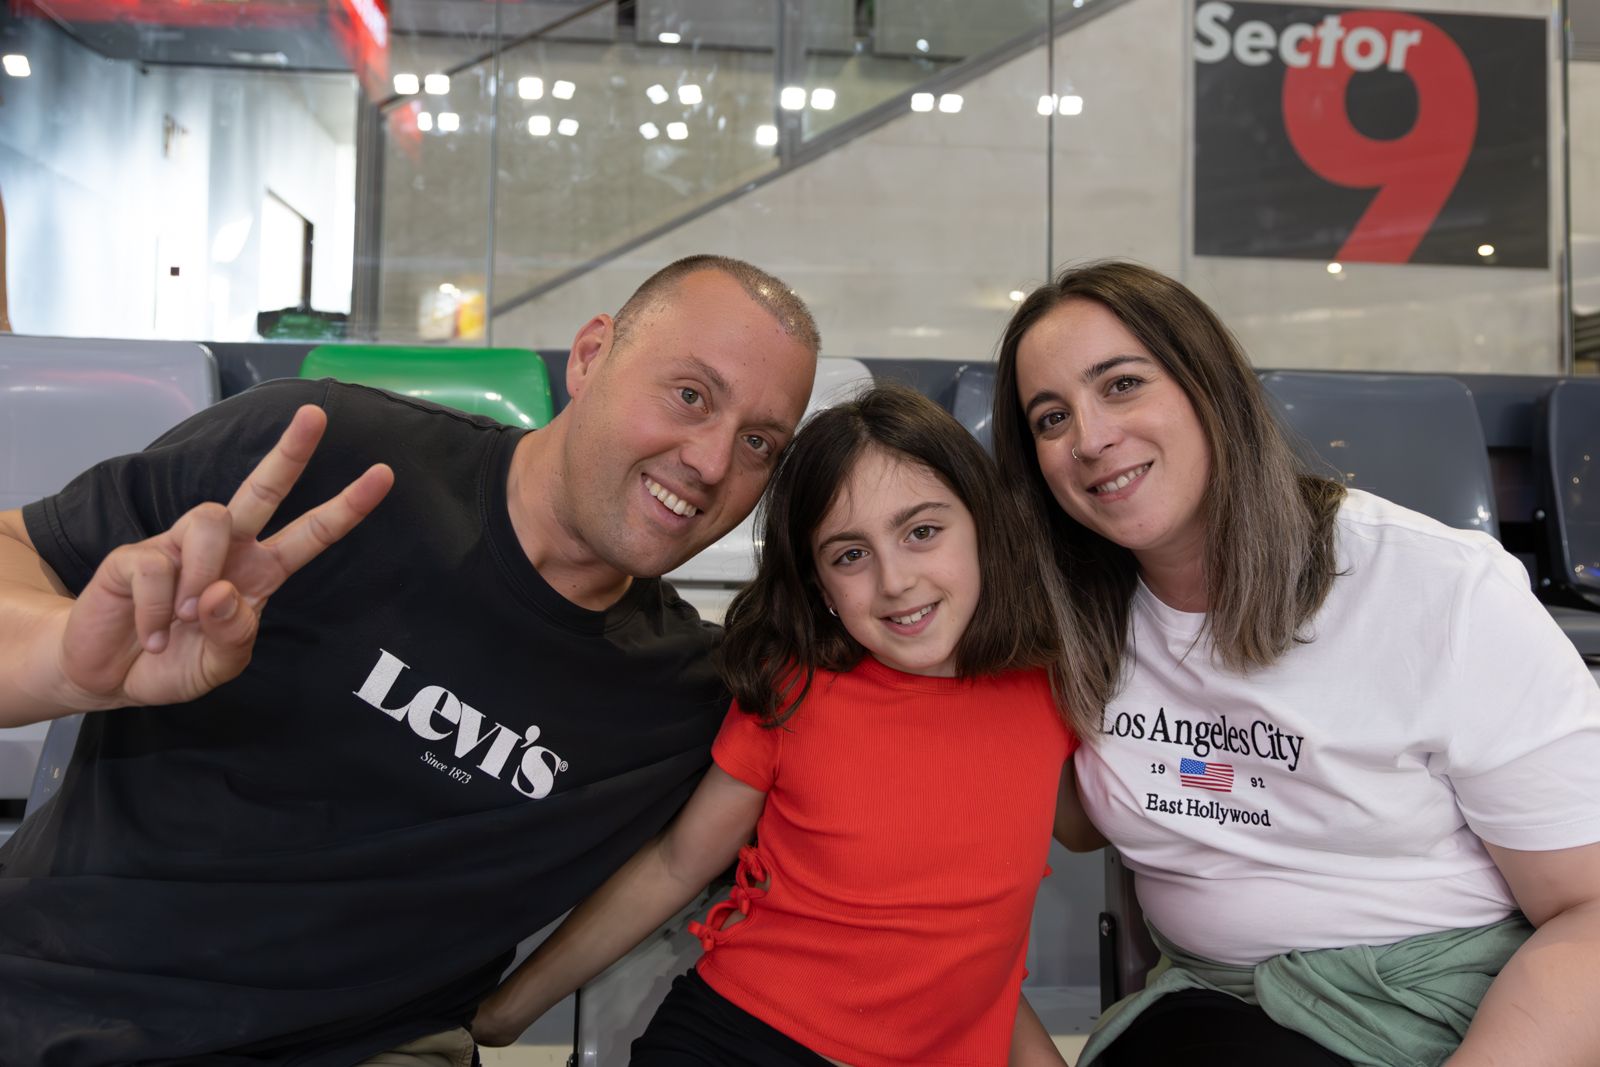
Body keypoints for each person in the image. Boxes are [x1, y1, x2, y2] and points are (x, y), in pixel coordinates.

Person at [0, 254, 821, 1066]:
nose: (713, 464)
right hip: (47, 993)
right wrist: (62, 662)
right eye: (690, 395)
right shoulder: (320, 456)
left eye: (757, 442)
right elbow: (18, 553)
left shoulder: (685, 697)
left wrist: (503, 1014)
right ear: (590, 354)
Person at [990, 259, 1600, 1067]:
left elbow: (1588, 912)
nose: (1091, 438)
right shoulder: (1068, 616)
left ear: (1211, 387)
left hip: (1443, 1009)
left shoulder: (1438, 587)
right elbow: (1055, 823)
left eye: (1123, 384)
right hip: (1214, 1005)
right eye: (1050, 418)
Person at [471, 383, 1091, 1066]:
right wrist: (507, 1010)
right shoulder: (795, 690)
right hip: (746, 1035)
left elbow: (986, 927)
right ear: (821, 587)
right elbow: (678, 863)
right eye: (850, 554)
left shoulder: (1050, 687)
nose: (895, 581)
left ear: (982, 524)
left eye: (922, 531)